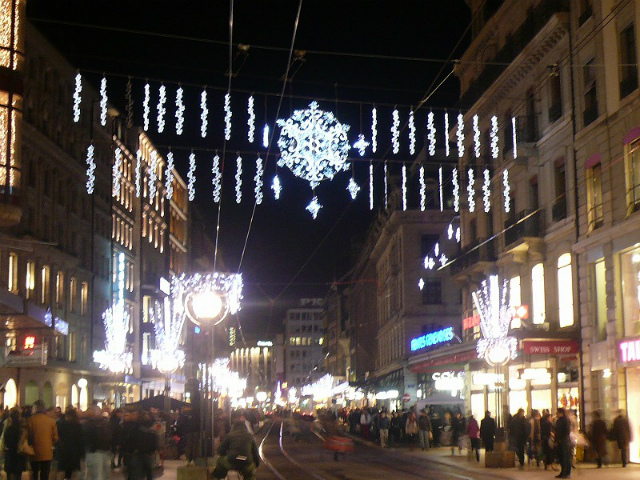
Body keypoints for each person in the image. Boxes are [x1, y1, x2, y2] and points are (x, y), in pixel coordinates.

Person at [27, 399, 59, 480]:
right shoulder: (51, 421)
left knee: (34, 473)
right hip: (47, 452)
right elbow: (55, 437)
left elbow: (28, 436)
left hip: (34, 451)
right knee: (45, 474)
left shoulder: (30, 420)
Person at [84, 406, 113, 480]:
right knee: (98, 475)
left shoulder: (103, 422)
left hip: (101, 450)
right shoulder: (90, 424)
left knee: (102, 474)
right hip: (95, 451)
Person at [57, 408, 85, 480]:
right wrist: (82, 453)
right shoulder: (78, 426)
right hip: (74, 451)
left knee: (62, 470)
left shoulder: (61, 425)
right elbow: (80, 440)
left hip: (63, 450)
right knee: (72, 471)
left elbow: (58, 437)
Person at [2, 407, 27, 480]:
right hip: (19, 452)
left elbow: (4, 438)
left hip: (10, 452)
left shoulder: (7, 425)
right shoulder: (23, 425)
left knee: (9, 473)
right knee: (18, 473)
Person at [555, 407, 572, 479]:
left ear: (561, 413)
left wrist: (561, 439)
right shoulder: (559, 420)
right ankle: (563, 472)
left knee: (565, 457)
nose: (556, 414)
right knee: (562, 457)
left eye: (557, 412)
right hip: (560, 441)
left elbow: (566, 431)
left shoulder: (565, 420)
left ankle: (566, 472)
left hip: (564, 441)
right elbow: (557, 431)